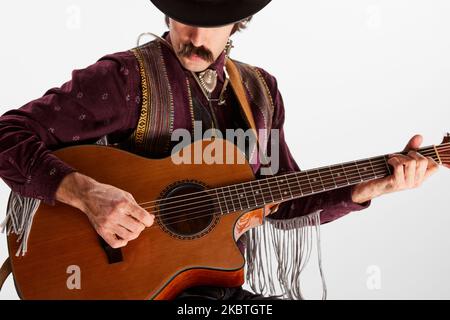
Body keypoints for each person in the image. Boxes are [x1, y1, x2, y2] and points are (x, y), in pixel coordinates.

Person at [0, 0, 440, 300]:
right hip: (117, 286)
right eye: (182, 15)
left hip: (203, 287)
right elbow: (8, 134)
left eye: (210, 21)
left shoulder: (260, 91)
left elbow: (281, 198)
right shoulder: (123, 79)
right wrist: (85, 193)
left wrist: (369, 188)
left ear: (237, 23)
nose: (192, 35)